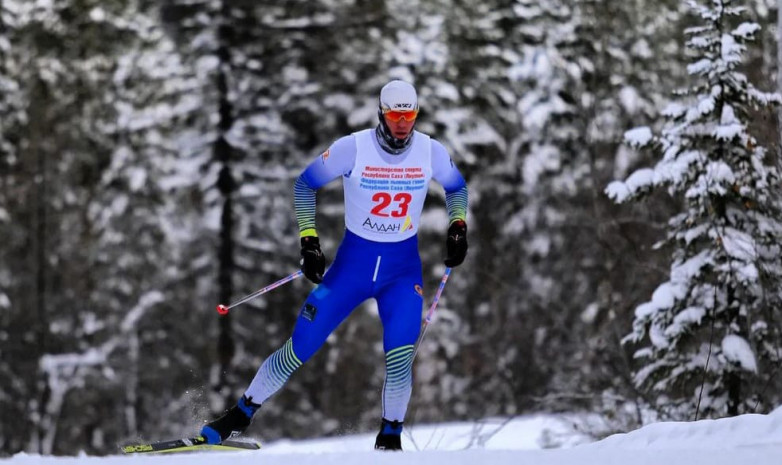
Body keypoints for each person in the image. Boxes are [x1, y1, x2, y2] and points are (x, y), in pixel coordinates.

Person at [200, 79, 469, 451]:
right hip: (351, 271)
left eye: (410, 115)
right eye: (395, 115)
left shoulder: (430, 151)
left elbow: (456, 187)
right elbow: (304, 185)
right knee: (300, 346)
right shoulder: (353, 148)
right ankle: (239, 416)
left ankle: (390, 439)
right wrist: (309, 240)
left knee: (400, 358)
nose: (403, 123)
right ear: (381, 112)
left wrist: (458, 226)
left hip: (401, 274)